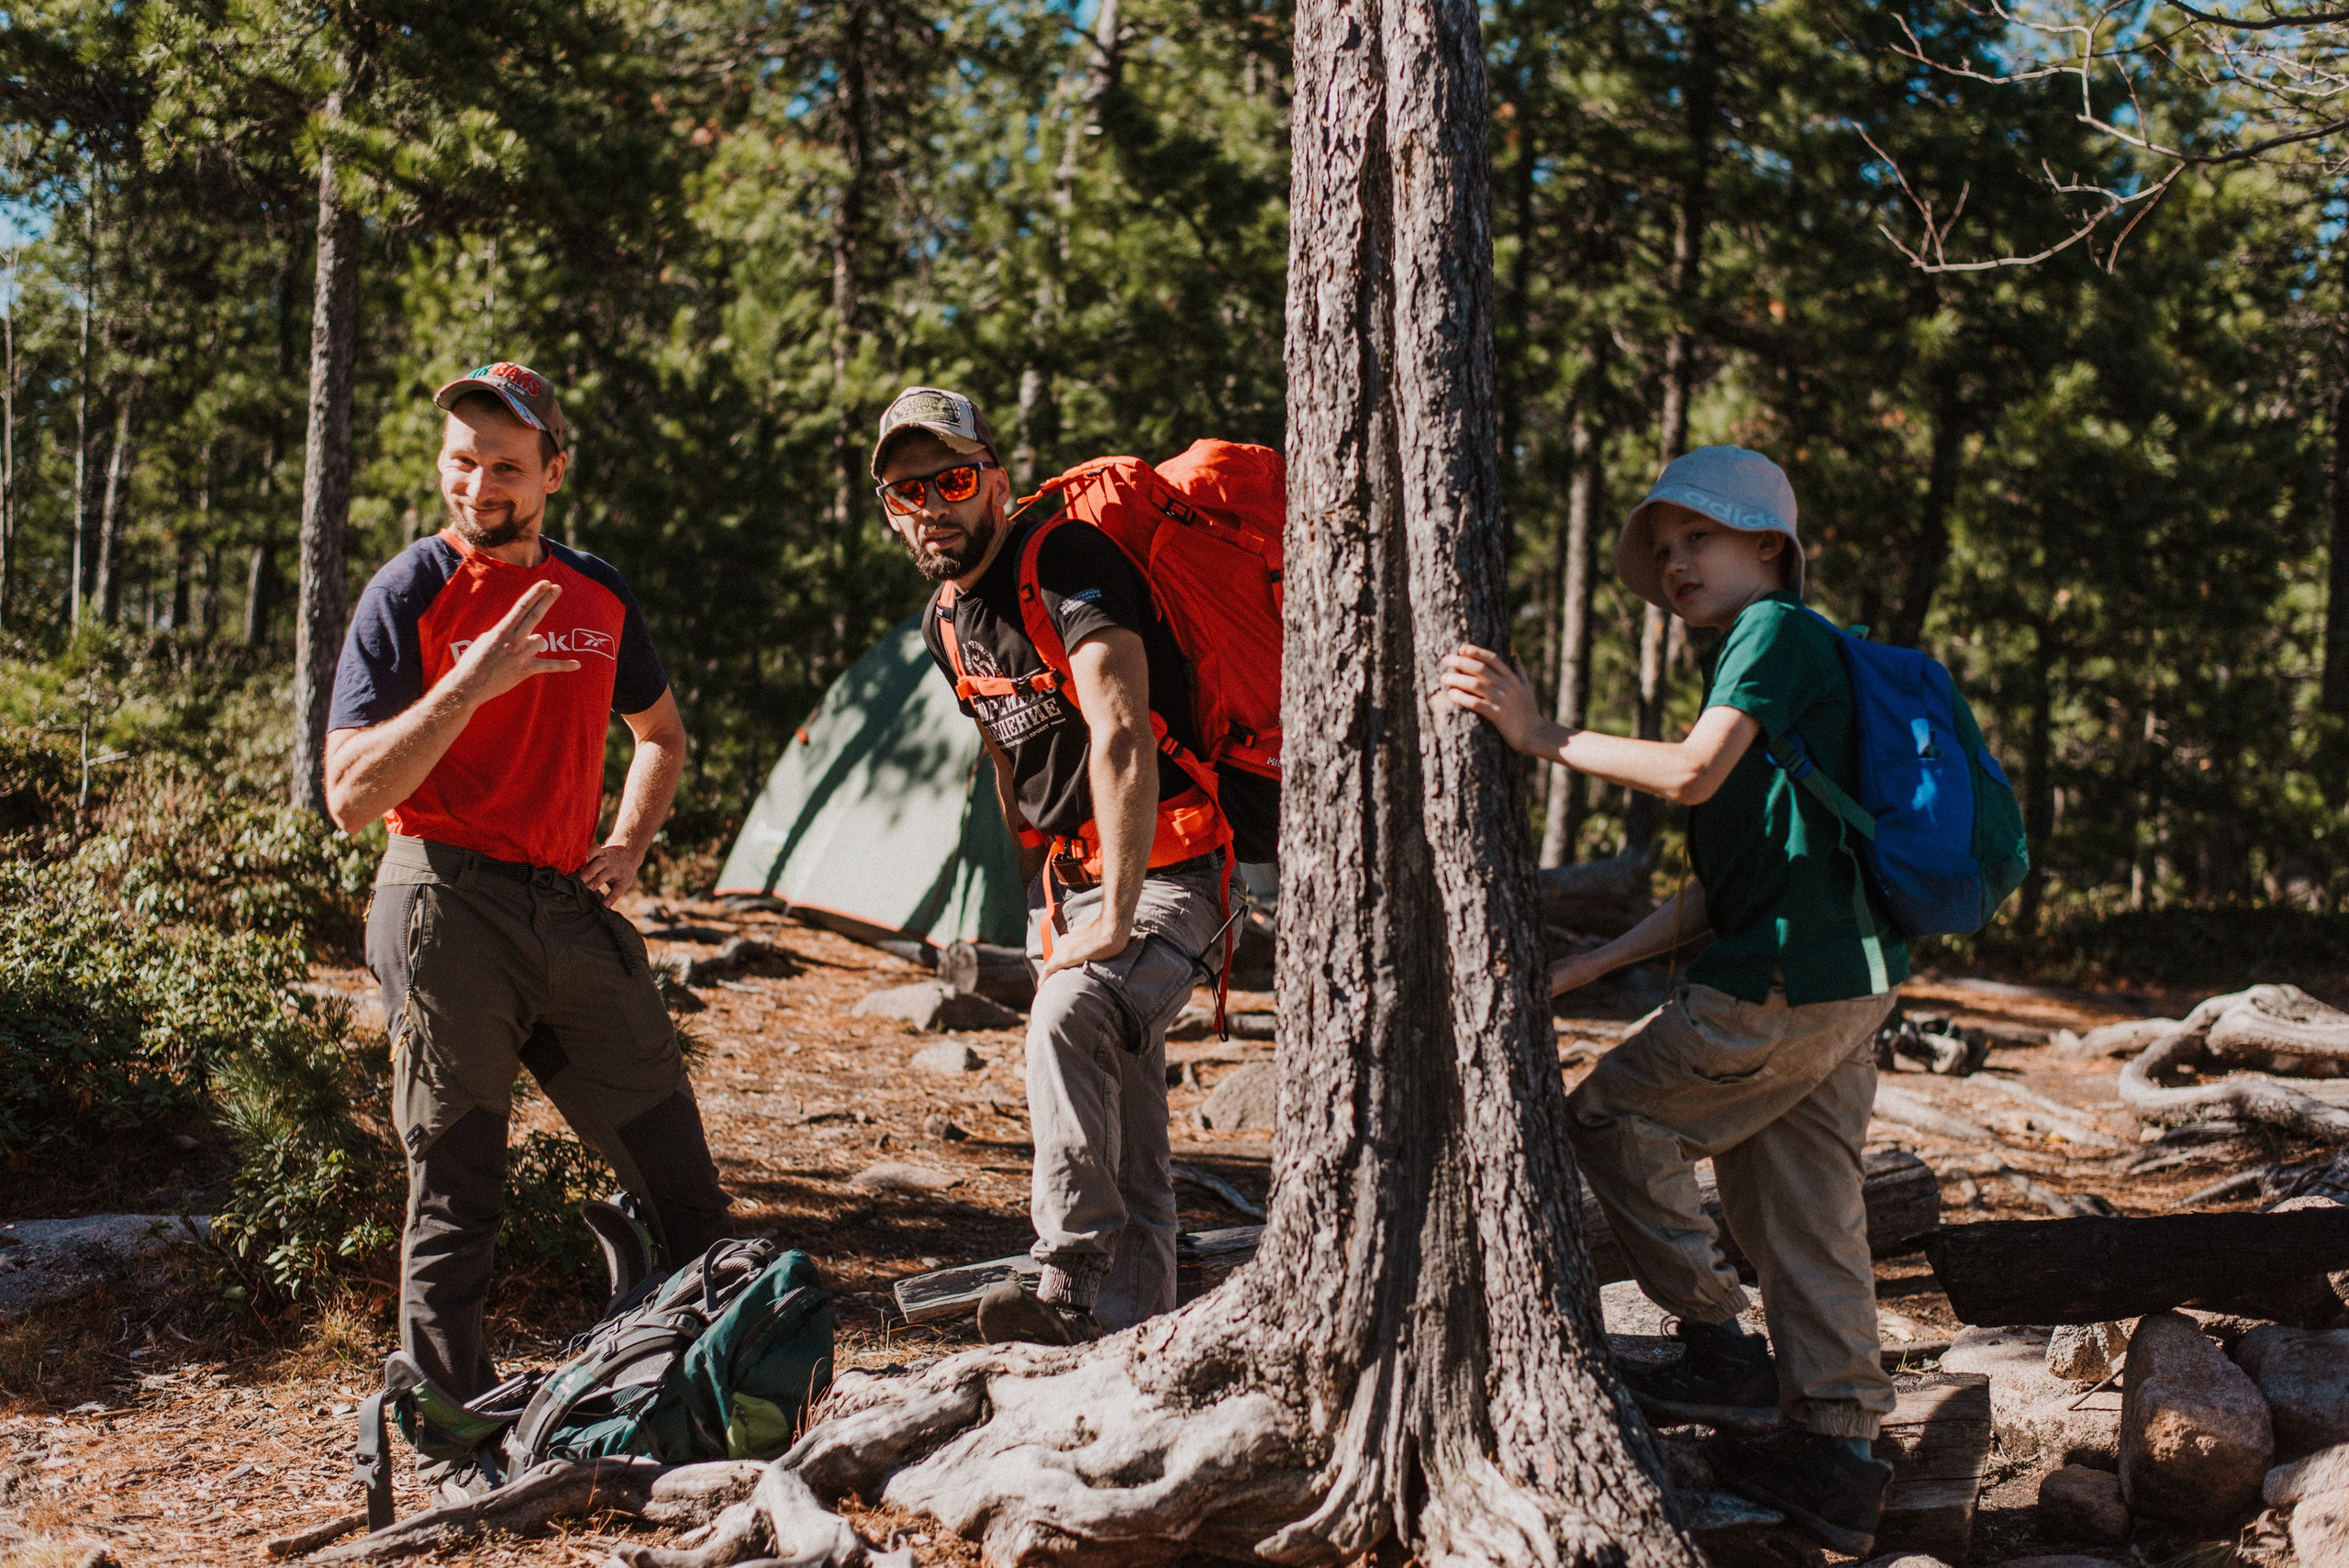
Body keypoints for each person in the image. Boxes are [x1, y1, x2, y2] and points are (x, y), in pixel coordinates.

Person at [1439, 444, 1903, 1553]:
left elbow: (1691, 774)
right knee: (1804, 1213)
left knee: (1611, 1115)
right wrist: (1582, 972)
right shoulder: (1781, 654)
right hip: (1845, 977)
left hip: (1784, 979)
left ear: (1766, 547)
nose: (1675, 560)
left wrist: (1539, 734)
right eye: (1663, 546)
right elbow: (1717, 890)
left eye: (1697, 536)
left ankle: (1721, 1347)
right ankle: (1838, 1455)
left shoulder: (1775, 634)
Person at [323, 361, 736, 1423]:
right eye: (462, 460)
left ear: (552, 469)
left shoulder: (598, 590)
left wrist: (628, 842)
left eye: (504, 464)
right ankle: (445, 1422)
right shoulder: (407, 590)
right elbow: (349, 797)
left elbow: (661, 734)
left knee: (685, 1181)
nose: (478, 485)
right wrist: (473, 681)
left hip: (566, 907)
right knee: (460, 1185)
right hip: (443, 902)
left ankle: (719, 1380)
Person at [875, 386, 1230, 1344]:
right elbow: (1009, 759)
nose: (931, 507)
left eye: (950, 479)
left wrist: (1111, 916)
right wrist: (1047, 897)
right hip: (1076, 888)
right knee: (1135, 1146)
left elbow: (1120, 731)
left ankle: (1066, 1276)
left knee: (1072, 1011)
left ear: (993, 476)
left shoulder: (1064, 559)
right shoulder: (942, 621)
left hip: (1175, 866)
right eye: (905, 493)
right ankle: (1130, 1352)